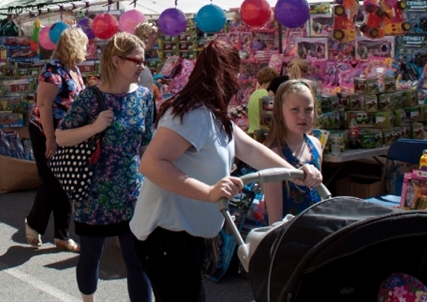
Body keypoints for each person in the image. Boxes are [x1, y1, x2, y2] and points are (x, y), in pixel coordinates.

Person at [129, 41, 323, 302]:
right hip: (166, 236)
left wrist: (296, 173)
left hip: (184, 236)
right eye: (236, 73)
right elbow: (151, 164)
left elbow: (251, 150)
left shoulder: (214, 115)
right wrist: (209, 191)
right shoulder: (193, 114)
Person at [57, 32, 155, 302]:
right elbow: (61, 136)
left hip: (132, 192)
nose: (142, 67)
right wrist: (95, 127)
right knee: (91, 255)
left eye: (144, 61)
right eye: (137, 60)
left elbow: (146, 145)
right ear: (116, 61)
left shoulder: (145, 97)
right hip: (94, 193)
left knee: (137, 262)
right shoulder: (90, 98)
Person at [24, 26, 89, 253]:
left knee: (65, 183)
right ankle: (34, 224)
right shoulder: (53, 69)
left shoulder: (74, 69)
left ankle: (62, 235)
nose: (87, 47)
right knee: (52, 181)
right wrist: (50, 139)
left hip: (67, 135)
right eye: (84, 43)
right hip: (45, 132)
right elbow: (44, 105)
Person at [263, 79, 323, 224]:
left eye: (308, 109)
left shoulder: (315, 144)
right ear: (280, 111)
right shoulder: (275, 153)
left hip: (316, 229)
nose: (302, 116)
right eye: (295, 109)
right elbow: (274, 217)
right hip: (288, 235)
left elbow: (320, 192)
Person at [247, 66, 278, 134]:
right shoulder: (267, 95)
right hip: (262, 136)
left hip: (252, 132)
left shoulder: (254, 94)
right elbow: (267, 123)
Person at [133, 21, 159, 92]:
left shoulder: (138, 56)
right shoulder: (134, 57)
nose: (155, 42)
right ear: (149, 34)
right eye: (155, 38)